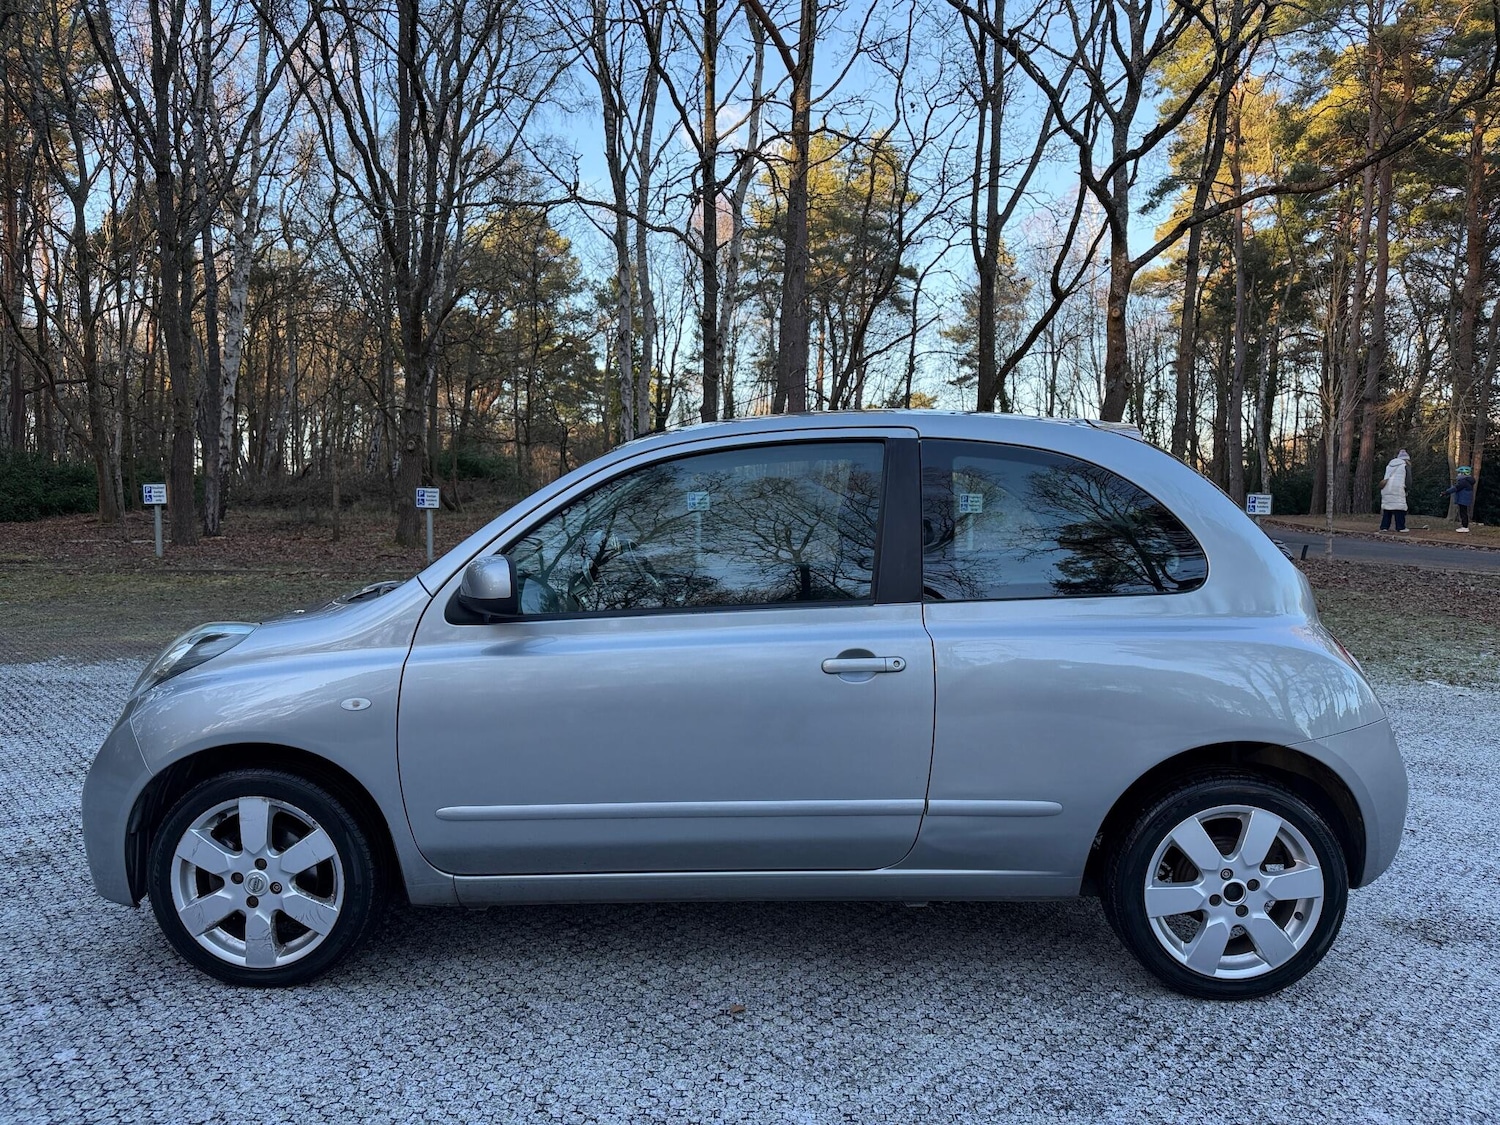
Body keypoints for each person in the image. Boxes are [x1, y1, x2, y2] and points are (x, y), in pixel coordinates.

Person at [1378, 449, 1411, 532]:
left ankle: (1384, 527)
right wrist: (1407, 489)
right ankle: (1400, 527)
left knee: (1387, 507)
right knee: (1399, 508)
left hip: (1386, 488)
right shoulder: (1405, 465)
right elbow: (1408, 480)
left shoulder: (1389, 465)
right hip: (1398, 488)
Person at [1441, 466, 1476, 532]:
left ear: (1463, 473)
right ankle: (1464, 526)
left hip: (1463, 499)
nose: (1458, 474)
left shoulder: (1463, 481)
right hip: (1464, 499)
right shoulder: (1467, 481)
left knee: (1463, 513)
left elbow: (1455, 488)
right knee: (1463, 512)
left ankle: (1465, 527)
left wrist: (1446, 492)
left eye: (1459, 472)